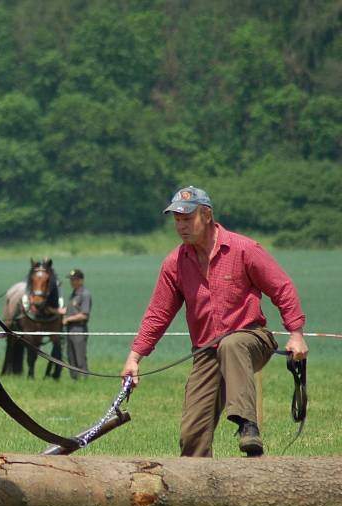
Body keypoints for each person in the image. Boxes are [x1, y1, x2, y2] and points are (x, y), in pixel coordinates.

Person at [121, 186, 308, 458]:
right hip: (207, 350)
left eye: (187, 219)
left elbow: (282, 287)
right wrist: (134, 358)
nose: (181, 226)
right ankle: (200, 491)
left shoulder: (244, 249)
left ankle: (247, 426)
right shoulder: (174, 263)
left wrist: (296, 334)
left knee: (231, 344)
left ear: (207, 215)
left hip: (251, 337)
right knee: (191, 436)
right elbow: (158, 313)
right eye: (177, 220)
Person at [62, 269, 91, 380]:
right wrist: (53, 310)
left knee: (80, 356)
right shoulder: (73, 295)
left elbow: (84, 315)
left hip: (79, 328)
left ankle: (84, 378)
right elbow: (68, 310)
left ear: (80, 280)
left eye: (74, 279)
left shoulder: (85, 294)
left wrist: (68, 319)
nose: (72, 282)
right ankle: (74, 379)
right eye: (71, 280)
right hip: (70, 329)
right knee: (71, 356)